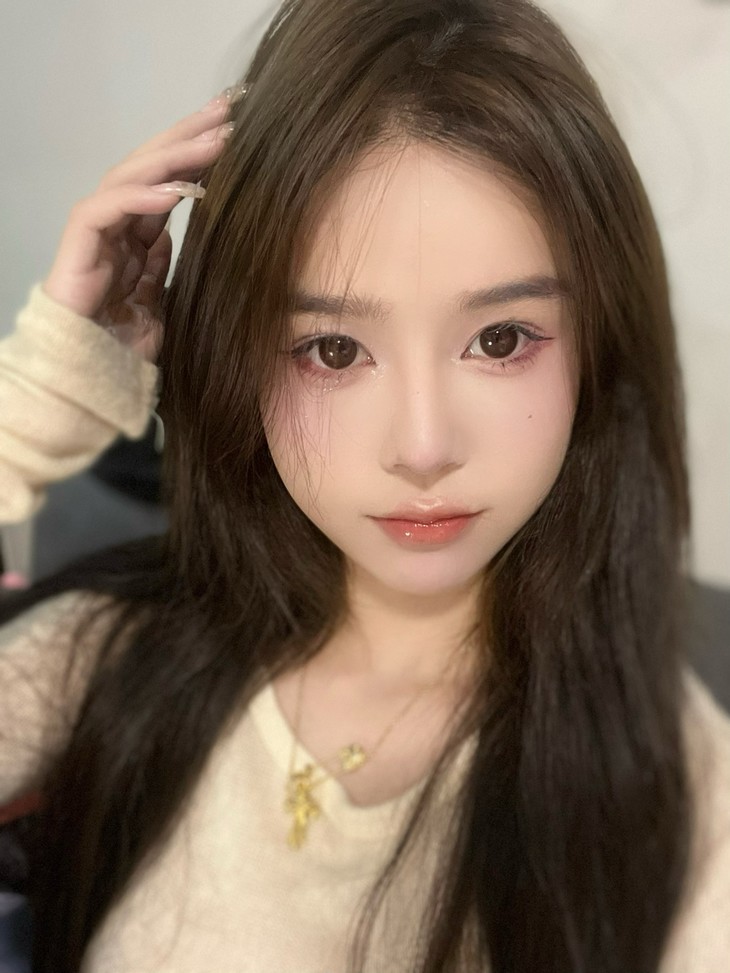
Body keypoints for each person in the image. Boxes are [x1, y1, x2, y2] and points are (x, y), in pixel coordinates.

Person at [0, 0, 729, 970]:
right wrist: (40, 398)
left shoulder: (680, 789)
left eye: (500, 339)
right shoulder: (112, 655)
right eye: (333, 349)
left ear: (599, 345)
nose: (422, 447)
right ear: (238, 356)